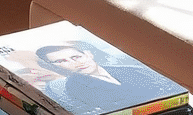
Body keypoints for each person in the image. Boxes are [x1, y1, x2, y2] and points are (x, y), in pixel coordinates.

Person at [34, 40, 175, 111]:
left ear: (88, 54)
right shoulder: (75, 87)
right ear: (55, 67)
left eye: (76, 57)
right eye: (61, 61)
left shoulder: (130, 69)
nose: (74, 63)